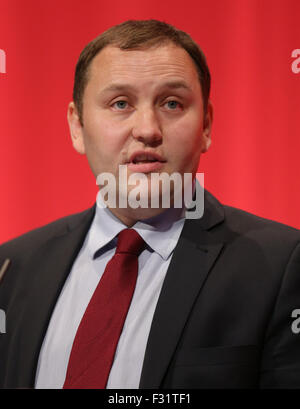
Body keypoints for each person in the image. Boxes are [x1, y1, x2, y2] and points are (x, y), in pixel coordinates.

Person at [0, 19, 300, 389]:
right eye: (120, 103)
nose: (147, 128)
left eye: (172, 103)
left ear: (205, 125)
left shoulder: (281, 263)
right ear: (77, 126)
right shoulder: (12, 268)